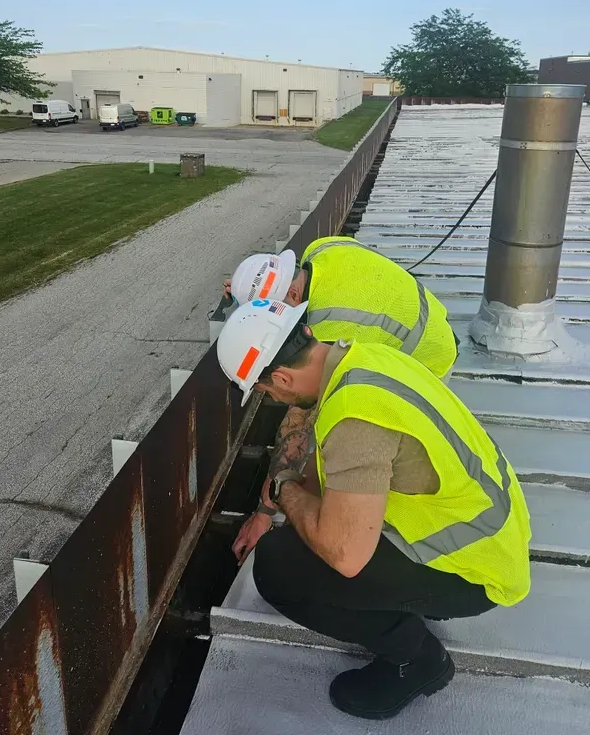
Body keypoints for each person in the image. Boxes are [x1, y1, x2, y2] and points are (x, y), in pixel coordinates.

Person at [217, 299, 531, 721]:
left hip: (475, 570)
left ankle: (417, 659)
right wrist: (269, 507)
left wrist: (282, 489)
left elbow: (346, 555)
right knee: (308, 530)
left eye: (266, 391)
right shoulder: (359, 359)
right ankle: (413, 607)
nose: (272, 399)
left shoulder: (356, 420)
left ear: (281, 377)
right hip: (488, 535)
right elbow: (324, 463)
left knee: (277, 565)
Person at [225, 236, 460, 563]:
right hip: (429, 319)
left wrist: (265, 512)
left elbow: (300, 425)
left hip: (427, 359)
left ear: (293, 293)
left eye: (275, 312)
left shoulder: (332, 325)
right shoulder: (317, 251)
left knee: (352, 451)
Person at [225, 236, 458, 379]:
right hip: (434, 313)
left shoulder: (327, 327)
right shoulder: (321, 248)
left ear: (294, 293)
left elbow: (322, 387)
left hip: (430, 357)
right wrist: (241, 289)